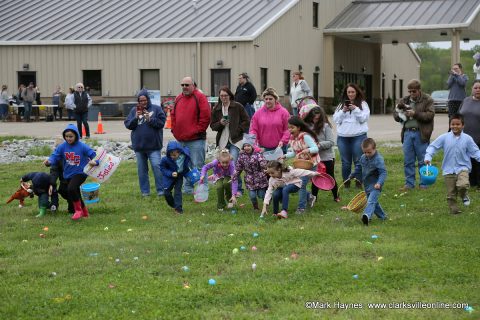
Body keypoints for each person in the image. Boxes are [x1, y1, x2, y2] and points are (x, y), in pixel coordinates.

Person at [425, 114, 480, 214]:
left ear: (463, 125)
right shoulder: (444, 137)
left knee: (463, 185)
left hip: (463, 167)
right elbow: (433, 147)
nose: (455, 126)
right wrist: (428, 157)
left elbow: (475, 151)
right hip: (448, 169)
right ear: (450, 125)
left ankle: (463, 195)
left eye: (458, 124)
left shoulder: (467, 139)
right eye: (453, 124)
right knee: (451, 193)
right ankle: (454, 210)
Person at [44, 124, 99, 220]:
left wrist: (95, 161)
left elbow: (94, 155)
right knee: (76, 192)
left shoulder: (82, 146)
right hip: (68, 174)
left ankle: (78, 211)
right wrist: (49, 161)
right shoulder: (62, 147)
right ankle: (85, 212)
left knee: (71, 188)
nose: (68, 138)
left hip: (81, 172)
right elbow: (54, 156)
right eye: (66, 136)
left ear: (76, 136)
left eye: (71, 136)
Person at [171, 76, 211, 194]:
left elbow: (206, 116)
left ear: (193, 85)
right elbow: (173, 115)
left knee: (198, 166)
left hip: (196, 140)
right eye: (182, 85)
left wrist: (198, 130)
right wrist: (175, 130)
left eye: (187, 85)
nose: (184, 87)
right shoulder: (178, 98)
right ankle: (188, 189)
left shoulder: (200, 97)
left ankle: (203, 189)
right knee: (184, 166)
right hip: (181, 139)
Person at [393, 79, 434, 191]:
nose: (411, 93)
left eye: (414, 91)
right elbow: (395, 114)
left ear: (419, 90)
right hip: (407, 133)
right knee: (408, 160)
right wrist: (400, 113)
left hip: (421, 133)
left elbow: (430, 115)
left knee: (422, 160)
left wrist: (415, 114)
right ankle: (409, 184)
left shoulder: (427, 99)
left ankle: (424, 183)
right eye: (410, 91)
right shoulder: (404, 100)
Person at [124, 89, 166, 197]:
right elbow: (128, 125)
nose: (143, 102)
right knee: (142, 171)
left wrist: (150, 119)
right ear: (138, 101)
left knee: (157, 168)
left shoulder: (156, 109)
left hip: (154, 146)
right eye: (141, 100)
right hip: (139, 147)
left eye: (145, 100)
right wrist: (135, 118)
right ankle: (145, 192)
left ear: (148, 99)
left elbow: (161, 123)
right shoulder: (134, 110)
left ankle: (161, 191)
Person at [210, 86, 250, 196]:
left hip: (235, 140)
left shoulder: (237, 106)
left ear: (230, 96)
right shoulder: (217, 108)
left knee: (234, 164)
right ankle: (227, 186)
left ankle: (238, 190)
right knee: (225, 165)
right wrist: (220, 124)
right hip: (222, 141)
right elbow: (212, 126)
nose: (224, 97)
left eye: (226, 95)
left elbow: (246, 121)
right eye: (221, 96)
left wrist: (238, 130)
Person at [333, 83, 370, 188]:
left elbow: (363, 119)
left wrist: (355, 109)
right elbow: (336, 120)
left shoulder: (363, 104)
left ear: (357, 92)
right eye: (348, 92)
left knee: (358, 161)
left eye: (353, 92)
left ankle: (359, 182)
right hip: (343, 137)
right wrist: (343, 111)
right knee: (345, 162)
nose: (350, 94)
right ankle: (346, 183)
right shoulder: (341, 105)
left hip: (358, 136)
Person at [282, 116, 320, 214]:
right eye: (289, 127)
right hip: (301, 164)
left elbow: (315, 148)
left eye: (292, 127)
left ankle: (301, 208)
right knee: (299, 184)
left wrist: (308, 150)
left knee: (301, 185)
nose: (290, 130)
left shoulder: (305, 136)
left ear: (298, 128)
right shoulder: (292, 138)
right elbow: (294, 153)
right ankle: (310, 197)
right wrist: (285, 156)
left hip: (311, 163)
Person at [303, 105, 340, 203]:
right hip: (314, 158)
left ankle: (336, 196)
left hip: (326, 157)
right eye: (313, 118)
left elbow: (331, 142)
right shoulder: (308, 126)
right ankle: (314, 197)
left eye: (317, 118)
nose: (315, 120)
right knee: (315, 177)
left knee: (330, 176)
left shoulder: (326, 126)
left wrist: (318, 145)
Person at [349, 138, 387, 226]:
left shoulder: (378, 159)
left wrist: (379, 183)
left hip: (376, 185)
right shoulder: (363, 157)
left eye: (369, 152)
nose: (367, 154)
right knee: (374, 202)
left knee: (371, 201)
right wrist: (353, 174)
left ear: (374, 149)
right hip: (367, 185)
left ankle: (366, 216)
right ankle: (383, 217)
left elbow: (383, 172)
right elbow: (358, 167)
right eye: (365, 152)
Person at [231, 134, 269, 211]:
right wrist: (234, 177)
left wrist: (264, 165)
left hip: (260, 178)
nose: (246, 148)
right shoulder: (241, 156)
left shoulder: (258, 154)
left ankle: (267, 203)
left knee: (261, 195)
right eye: (245, 146)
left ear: (252, 146)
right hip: (249, 180)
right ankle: (256, 208)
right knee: (252, 196)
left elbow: (263, 163)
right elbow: (238, 168)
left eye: (248, 146)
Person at [249, 87, 290, 153]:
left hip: (280, 148)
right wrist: (254, 143)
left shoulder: (284, 112)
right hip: (263, 148)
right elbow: (253, 130)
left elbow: (287, 129)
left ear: (275, 99)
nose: (268, 101)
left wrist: (283, 141)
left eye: (270, 99)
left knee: (278, 164)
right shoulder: (258, 113)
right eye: (266, 99)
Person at [160, 141, 194, 214]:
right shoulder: (165, 159)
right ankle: (173, 204)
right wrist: (170, 173)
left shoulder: (183, 157)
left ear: (179, 152)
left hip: (179, 177)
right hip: (169, 178)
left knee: (178, 191)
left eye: (175, 155)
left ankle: (178, 209)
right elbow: (162, 169)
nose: (173, 156)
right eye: (171, 154)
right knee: (166, 193)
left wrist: (191, 175)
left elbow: (185, 167)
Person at [459, 80, 480, 189]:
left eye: (479, 88)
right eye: (475, 88)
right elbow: (459, 115)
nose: (478, 90)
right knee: (467, 160)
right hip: (465, 137)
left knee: (478, 161)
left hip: (479, 138)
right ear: (472, 89)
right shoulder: (465, 100)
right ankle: (471, 182)